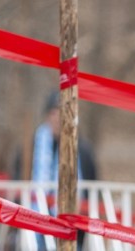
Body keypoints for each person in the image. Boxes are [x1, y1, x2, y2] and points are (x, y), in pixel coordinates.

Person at [10, 91, 99, 250]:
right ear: (47, 116)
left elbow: (93, 188)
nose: (58, 118)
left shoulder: (83, 150)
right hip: (35, 225)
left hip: (73, 229)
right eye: (54, 113)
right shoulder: (29, 149)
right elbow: (17, 185)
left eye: (63, 113)